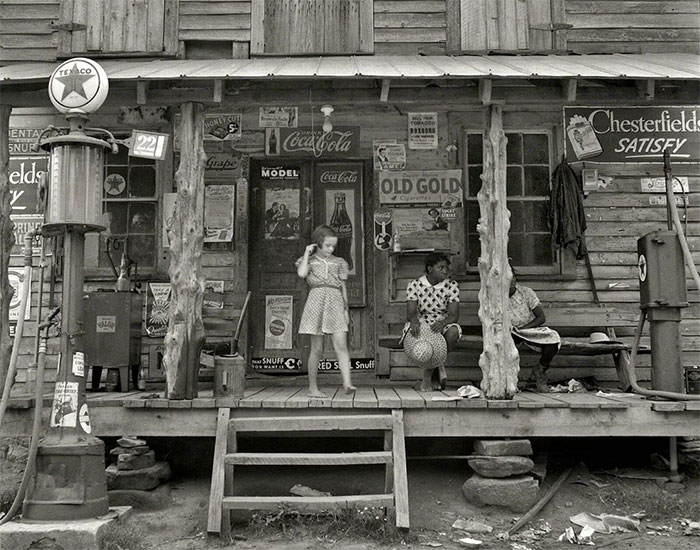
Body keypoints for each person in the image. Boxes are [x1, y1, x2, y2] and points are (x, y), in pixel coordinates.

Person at [296, 225, 357, 398]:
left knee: (341, 344)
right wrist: (307, 253)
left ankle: (347, 383)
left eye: (333, 246)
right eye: (327, 245)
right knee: (317, 348)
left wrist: (346, 310)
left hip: (336, 301)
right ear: (317, 243)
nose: (331, 249)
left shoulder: (339, 262)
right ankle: (312, 388)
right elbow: (302, 274)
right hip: (316, 301)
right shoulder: (308, 261)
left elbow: (343, 286)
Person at [405, 252, 461, 391]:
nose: (445, 271)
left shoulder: (451, 285)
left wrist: (442, 323)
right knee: (418, 334)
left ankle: (428, 375)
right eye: (440, 268)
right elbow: (411, 313)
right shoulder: (415, 285)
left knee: (453, 332)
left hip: (443, 322)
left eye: (446, 267)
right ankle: (438, 367)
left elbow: (454, 316)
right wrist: (414, 320)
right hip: (421, 321)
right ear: (430, 269)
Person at [508, 272, 560, 392]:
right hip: (509, 331)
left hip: (528, 330)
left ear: (516, 278)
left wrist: (524, 329)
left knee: (553, 339)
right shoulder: (496, 295)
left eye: (513, 277)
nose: (510, 281)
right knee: (506, 347)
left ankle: (539, 371)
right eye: (507, 278)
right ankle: (509, 381)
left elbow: (541, 317)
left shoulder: (526, 293)